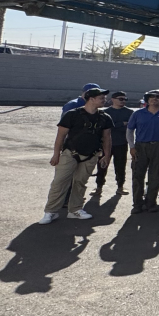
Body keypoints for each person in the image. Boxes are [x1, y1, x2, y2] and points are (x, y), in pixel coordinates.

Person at [39, 88, 112, 224]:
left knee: (80, 183)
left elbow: (107, 138)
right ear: (91, 99)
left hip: (91, 155)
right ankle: (51, 212)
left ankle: (75, 210)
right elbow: (60, 136)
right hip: (70, 154)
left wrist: (106, 156)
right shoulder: (72, 114)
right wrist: (56, 155)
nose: (105, 100)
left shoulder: (105, 117)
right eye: (101, 98)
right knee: (59, 182)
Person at [127, 91, 159, 214]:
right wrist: (132, 146)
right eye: (152, 97)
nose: (155, 99)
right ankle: (137, 204)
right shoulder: (138, 113)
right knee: (138, 175)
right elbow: (129, 131)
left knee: (155, 176)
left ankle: (151, 203)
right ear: (147, 99)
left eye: (158, 97)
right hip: (140, 146)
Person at [94, 91, 133, 196]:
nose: (123, 101)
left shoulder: (129, 112)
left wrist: (117, 125)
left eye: (125, 99)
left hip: (121, 143)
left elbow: (130, 127)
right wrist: (121, 124)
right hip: (105, 144)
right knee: (102, 165)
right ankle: (99, 187)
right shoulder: (105, 112)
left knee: (120, 166)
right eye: (120, 99)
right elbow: (103, 127)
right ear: (113, 99)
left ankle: (120, 186)